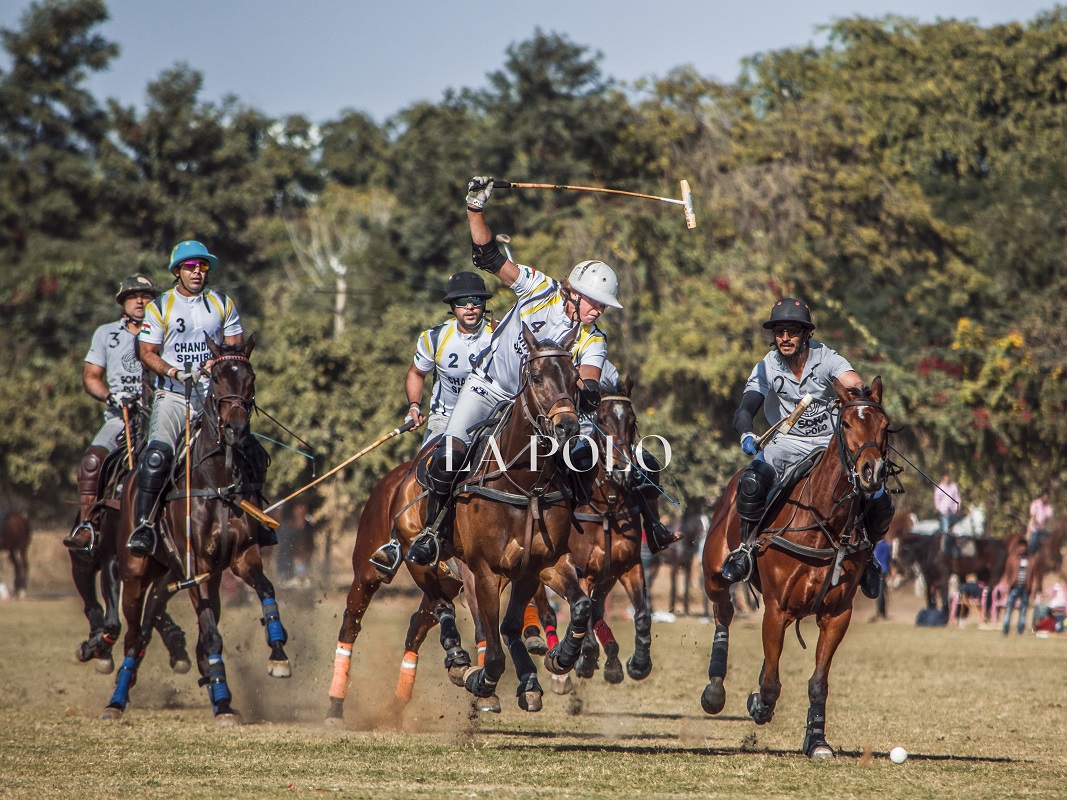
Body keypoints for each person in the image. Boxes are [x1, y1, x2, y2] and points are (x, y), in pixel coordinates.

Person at [406, 175, 626, 568]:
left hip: (536, 412)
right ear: (573, 292)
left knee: (581, 458)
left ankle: (564, 535)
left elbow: (590, 374)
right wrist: (475, 209)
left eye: (604, 306)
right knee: (447, 456)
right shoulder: (539, 289)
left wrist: (587, 391)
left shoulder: (593, 336)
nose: (599, 310)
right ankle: (433, 531)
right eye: (595, 302)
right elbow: (489, 257)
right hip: (487, 390)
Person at [720, 298, 894, 599]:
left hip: (829, 446)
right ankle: (745, 551)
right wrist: (746, 432)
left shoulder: (827, 359)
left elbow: (852, 381)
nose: (785, 337)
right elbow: (746, 407)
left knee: (878, 495)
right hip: (785, 445)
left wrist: (861, 395)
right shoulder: (766, 366)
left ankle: (869, 558)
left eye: (792, 330)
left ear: (806, 334)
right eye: (779, 331)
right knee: (750, 483)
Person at [126, 240, 264, 561]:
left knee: (251, 450)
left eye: (202, 266)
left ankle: (259, 521)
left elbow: (236, 353)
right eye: (190, 267)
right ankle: (145, 526)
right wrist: (176, 371)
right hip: (173, 395)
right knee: (157, 457)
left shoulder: (222, 303)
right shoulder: (159, 307)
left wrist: (219, 367)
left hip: (213, 397)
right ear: (177, 272)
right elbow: (146, 352)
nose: (198, 272)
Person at [367, 271, 495, 577]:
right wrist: (414, 406)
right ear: (452, 306)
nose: (470, 307)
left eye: (476, 300)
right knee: (436, 466)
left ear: (483, 305)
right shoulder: (434, 338)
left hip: (490, 419)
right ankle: (422, 535)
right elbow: (416, 374)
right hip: (444, 419)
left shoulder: (500, 335)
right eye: (462, 301)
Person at [63, 274, 161, 551]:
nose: (140, 301)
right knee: (91, 461)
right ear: (123, 302)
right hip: (121, 418)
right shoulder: (106, 333)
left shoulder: (165, 330)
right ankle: (88, 526)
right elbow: (91, 376)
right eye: (133, 296)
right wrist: (110, 396)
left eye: (146, 296)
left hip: (160, 415)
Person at [1001, 537, 1036, 635]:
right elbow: (1007, 573)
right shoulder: (1012, 559)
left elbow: (1034, 576)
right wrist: (1006, 585)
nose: (1022, 549)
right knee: (1009, 608)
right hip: (1014, 586)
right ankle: (1005, 629)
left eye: (1024, 547)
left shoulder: (1031, 560)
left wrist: (1033, 588)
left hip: (1025, 588)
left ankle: (1020, 630)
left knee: (1023, 609)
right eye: (1020, 546)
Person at [1026, 488, 1053, 555]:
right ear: (1042, 496)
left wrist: (1044, 525)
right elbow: (1033, 517)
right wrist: (1039, 524)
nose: (1046, 498)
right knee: (1034, 542)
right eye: (1045, 496)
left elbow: (1047, 518)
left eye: (1047, 497)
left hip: (1042, 529)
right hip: (1034, 528)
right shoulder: (1036, 504)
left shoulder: (1048, 507)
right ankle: (1030, 555)